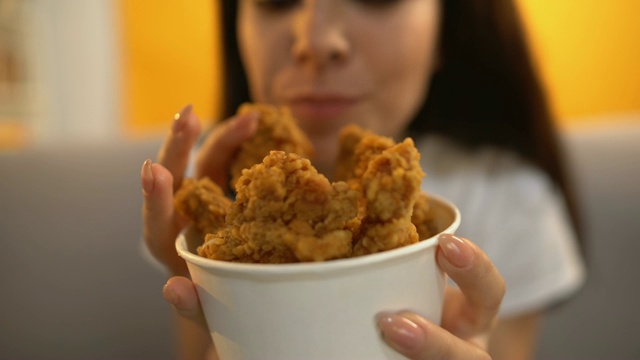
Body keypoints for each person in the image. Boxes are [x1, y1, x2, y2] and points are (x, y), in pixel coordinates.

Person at [140, 0, 586, 359]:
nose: (315, 40)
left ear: (448, 25)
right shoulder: (200, 195)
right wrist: (204, 276)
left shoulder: (508, 199)